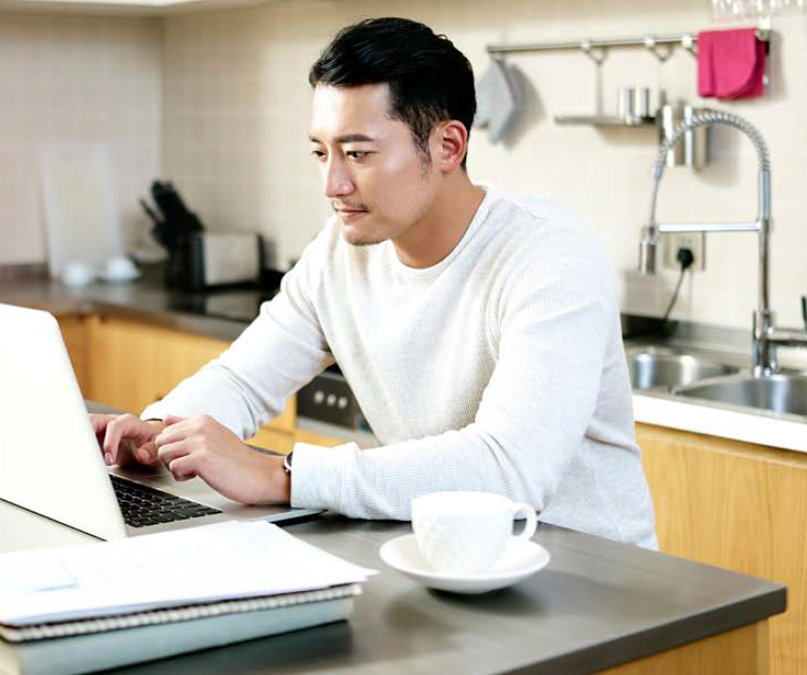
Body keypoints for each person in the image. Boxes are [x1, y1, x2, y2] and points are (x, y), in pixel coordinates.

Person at [91, 17, 657, 548]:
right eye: (321, 153)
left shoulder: (548, 257)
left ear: (447, 147)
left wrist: (279, 474)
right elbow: (243, 379)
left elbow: (511, 467)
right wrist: (161, 429)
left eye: (358, 153)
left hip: (588, 576)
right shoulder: (340, 253)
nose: (333, 183)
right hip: (449, 557)